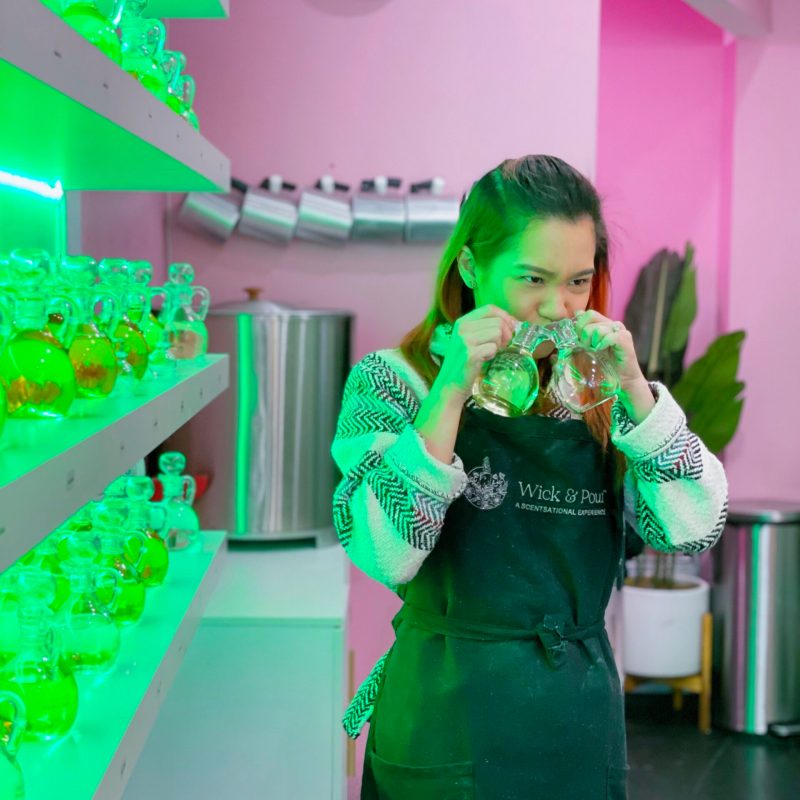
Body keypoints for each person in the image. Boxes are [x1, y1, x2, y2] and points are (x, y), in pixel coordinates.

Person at [331, 155, 728, 799]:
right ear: (469, 266)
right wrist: (450, 393)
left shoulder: (600, 396)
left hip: (574, 729)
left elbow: (694, 528)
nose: (557, 307)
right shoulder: (395, 380)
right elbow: (385, 554)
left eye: (578, 281)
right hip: (443, 725)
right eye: (532, 278)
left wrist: (635, 390)